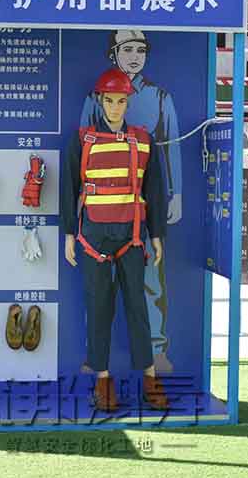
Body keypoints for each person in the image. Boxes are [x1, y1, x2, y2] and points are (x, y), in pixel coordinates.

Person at [62, 67, 169, 411]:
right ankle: (102, 379)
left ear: (128, 103)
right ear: (100, 101)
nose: (115, 108)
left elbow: (155, 190)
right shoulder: (83, 140)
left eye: (121, 101)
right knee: (98, 307)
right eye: (109, 101)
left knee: (138, 306)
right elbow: (68, 189)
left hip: (132, 236)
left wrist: (157, 235)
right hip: (92, 237)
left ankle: (150, 377)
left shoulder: (144, 141)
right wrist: (68, 234)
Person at [78, 30, 182, 372]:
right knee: (98, 302)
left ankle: (153, 363)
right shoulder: (88, 122)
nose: (134, 56)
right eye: (127, 49)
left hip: (134, 228)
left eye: (140, 49)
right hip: (95, 229)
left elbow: (166, 160)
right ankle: (100, 371)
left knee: (144, 297)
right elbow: (77, 176)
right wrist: (71, 231)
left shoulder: (158, 101)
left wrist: (168, 211)